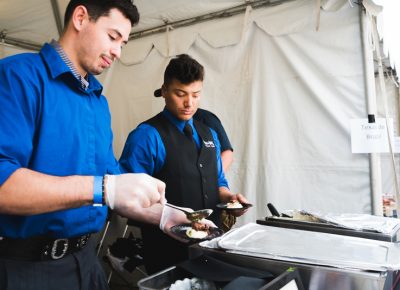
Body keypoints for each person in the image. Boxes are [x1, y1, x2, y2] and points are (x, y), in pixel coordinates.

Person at [0, 1, 166, 289]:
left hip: (88, 264)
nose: (118, 52)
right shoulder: (17, 77)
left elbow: (110, 178)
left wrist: (162, 214)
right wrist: (105, 189)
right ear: (80, 18)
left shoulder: (99, 103)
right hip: (27, 269)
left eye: (123, 43)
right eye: (113, 37)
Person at [119, 54, 249, 274]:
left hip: (210, 246)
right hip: (166, 252)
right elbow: (129, 199)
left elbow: (217, 181)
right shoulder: (147, 136)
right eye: (181, 94)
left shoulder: (209, 134)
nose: (189, 103)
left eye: (196, 95)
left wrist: (230, 199)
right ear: (165, 91)